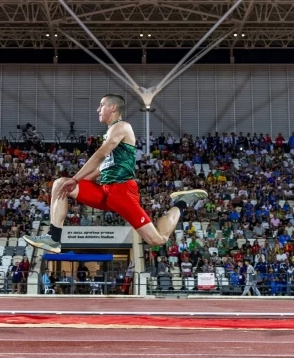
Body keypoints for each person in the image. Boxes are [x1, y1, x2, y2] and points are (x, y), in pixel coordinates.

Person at [23, 94, 207, 253]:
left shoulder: (122, 127)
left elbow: (101, 154)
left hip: (122, 191)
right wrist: (76, 183)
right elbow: (103, 167)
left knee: (157, 240)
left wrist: (75, 179)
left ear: (113, 108)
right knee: (60, 184)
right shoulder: (110, 133)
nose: (98, 109)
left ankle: (182, 202)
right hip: (105, 191)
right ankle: (54, 238)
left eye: (101, 105)